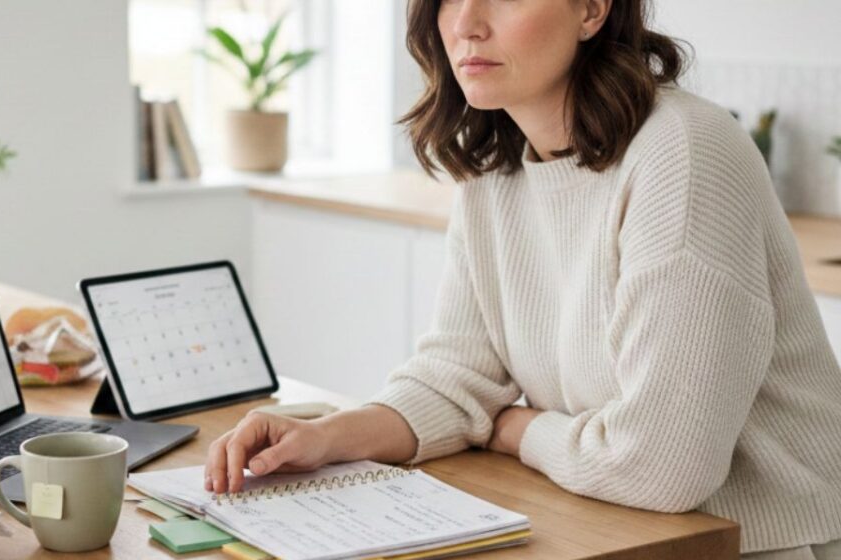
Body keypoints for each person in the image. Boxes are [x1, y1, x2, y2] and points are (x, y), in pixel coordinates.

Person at [205, 0, 841, 558]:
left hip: (751, 542)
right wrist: (324, 437)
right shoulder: (494, 172)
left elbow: (661, 467)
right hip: (615, 524)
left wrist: (515, 429)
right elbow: (457, 377)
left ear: (592, 10)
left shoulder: (685, 152)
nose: (467, 24)